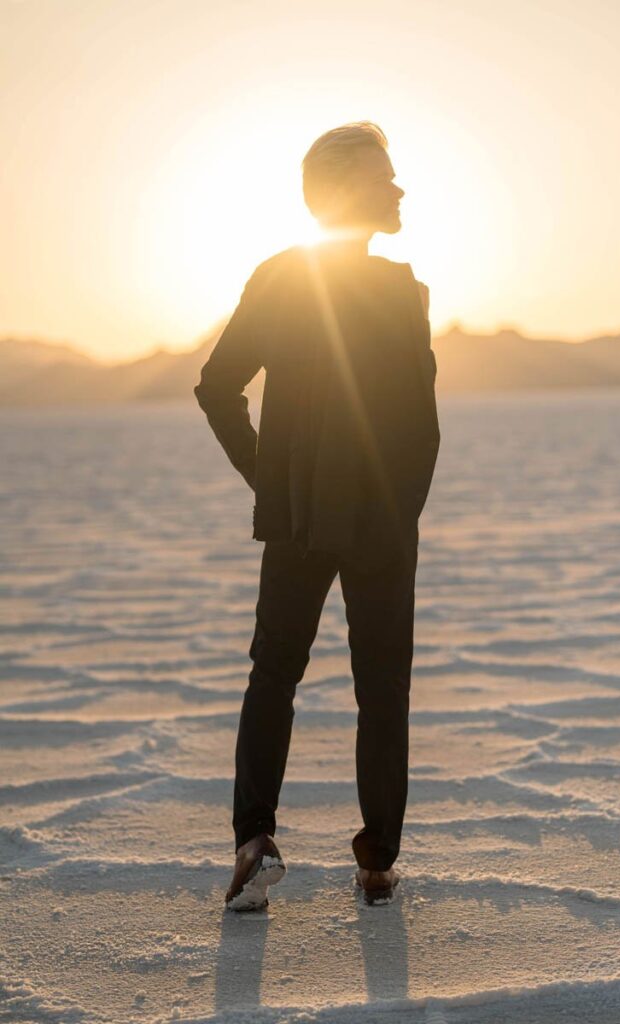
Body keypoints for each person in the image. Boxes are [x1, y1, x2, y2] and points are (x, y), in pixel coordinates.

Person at [194, 121, 440, 910]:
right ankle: (364, 863)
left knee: (286, 676)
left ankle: (269, 844)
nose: (398, 189)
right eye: (382, 176)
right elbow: (218, 386)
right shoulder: (348, 285)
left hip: (325, 518)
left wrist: (279, 484)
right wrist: (388, 506)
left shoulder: (328, 281)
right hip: (353, 519)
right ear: (341, 190)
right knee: (371, 686)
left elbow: (217, 385)